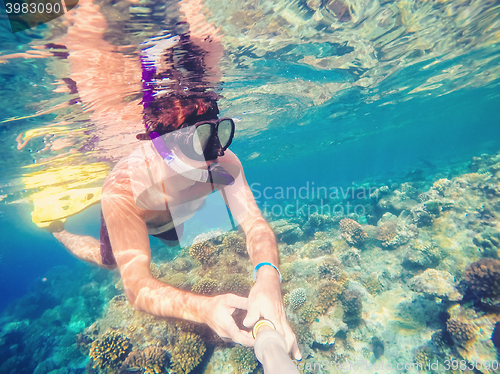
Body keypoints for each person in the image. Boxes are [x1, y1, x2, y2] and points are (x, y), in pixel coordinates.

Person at [43, 0, 301, 360]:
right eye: (196, 143)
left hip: (174, 216)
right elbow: (136, 287)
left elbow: (255, 224)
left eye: (214, 135)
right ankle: (58, 229)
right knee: (110, 261)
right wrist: (204, 310)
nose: (210, 154)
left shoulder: (222, 161)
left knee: (174, 243)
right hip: (145, 213)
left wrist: (269, 279)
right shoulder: (122, 190)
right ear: (160, 147)